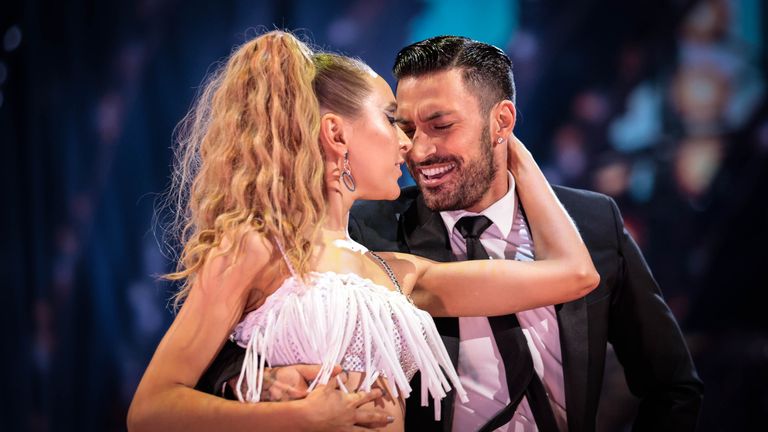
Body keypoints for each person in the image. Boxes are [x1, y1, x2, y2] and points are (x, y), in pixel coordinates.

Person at [202, 35, 704, 431]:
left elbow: (671, 384)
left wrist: (520, 163)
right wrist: (257, 385)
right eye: (404, 126)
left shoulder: (593, 224)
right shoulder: (366, 233)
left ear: (500, 120)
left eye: (440, 126)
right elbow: (240, 339)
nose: (418, 151)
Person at [127, 31, 599, 432]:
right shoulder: (255, 248)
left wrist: (506, 143)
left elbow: (575, 273)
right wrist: (299, 418)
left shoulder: (398, 274)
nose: (407, 142)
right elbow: (151, 409)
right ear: (336, 135)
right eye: (392, 119)